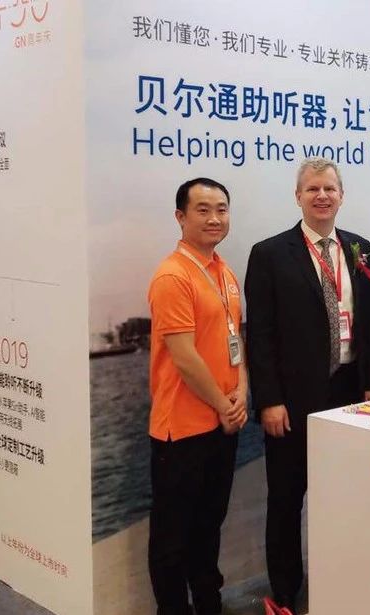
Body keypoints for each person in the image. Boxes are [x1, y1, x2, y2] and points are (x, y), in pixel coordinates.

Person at [245, 157, 370, 613]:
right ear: (298, 196)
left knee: (344, 493)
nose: (322, 196)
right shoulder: (269, 254)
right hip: (292, 401)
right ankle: (286, 592)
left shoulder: (360, 249)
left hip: (349, 394)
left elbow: (368, 324)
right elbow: (260, 335)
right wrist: (269, 400)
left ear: (341, 195)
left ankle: (342, 578)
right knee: (287, 500)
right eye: (312, 189)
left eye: (329, 188)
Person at [146, 177, 248, 615]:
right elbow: (184, 357)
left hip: (221, 425)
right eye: (202, 210)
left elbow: (235, 341)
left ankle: (210, 604)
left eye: (221, 209)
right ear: (180, 217)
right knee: (172, 540)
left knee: (208, 528)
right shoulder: (173, 275)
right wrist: (224, 404)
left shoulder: (224, 271)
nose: (214, 218)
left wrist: (242, 391)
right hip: (181, 430)